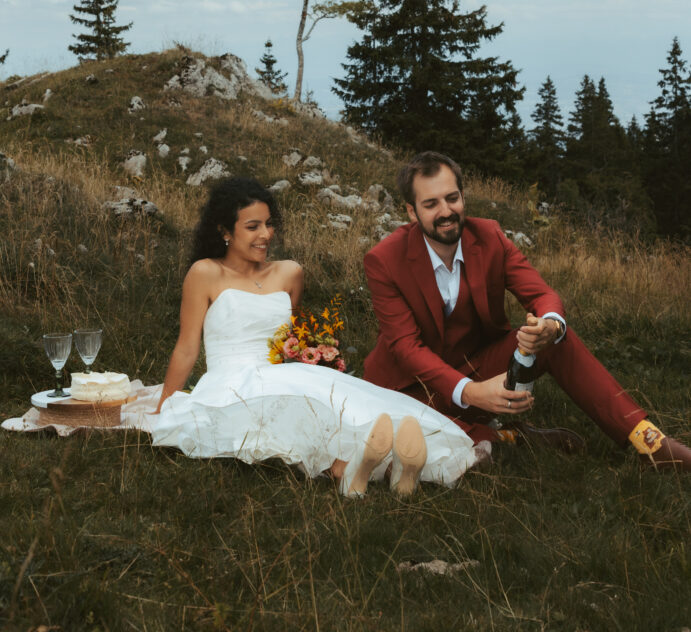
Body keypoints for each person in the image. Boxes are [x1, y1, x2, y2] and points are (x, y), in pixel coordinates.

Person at [153, 177, 485, 496]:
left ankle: (393, 466)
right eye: (252, 227)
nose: (265, 235)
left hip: (283, 373)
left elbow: (289, 337)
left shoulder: (289, 272)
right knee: (285, 413)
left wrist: (306, 359)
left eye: (269, 224)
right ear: (225, 231)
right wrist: (165, 405)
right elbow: (187, 348)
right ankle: (345, 469)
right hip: (230, 382)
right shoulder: (205, 273)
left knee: (335, 407)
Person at [363, 151, 691, 471]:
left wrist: (550, 324)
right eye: (431, 204)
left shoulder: (489, 236)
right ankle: (507, 437)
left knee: (557, 338)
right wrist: (472, 392)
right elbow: (407, 349)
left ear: (463, 197)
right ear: (411, 211)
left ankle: (650, 443)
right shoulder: (384, 260)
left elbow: (541, 294)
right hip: (409, 389)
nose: (446, 211)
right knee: (407, 428)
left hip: (475, 367)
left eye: (452, 198)